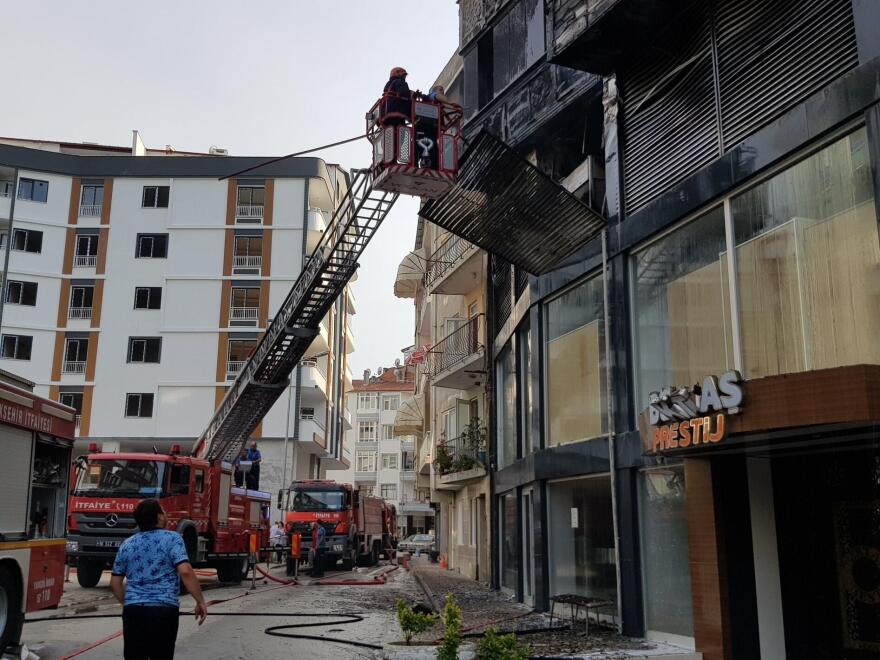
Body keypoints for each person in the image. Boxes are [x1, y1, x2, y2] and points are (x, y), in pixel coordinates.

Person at [110, 499, 208, 660]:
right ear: (159, 517)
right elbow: (185, 571)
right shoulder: (172, 539)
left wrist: (130, 603)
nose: (165, 514)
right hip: (164, 611)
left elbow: (115, 583)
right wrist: (200, 601)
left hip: (133, 611)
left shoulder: (127, 544)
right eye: (163, 510)